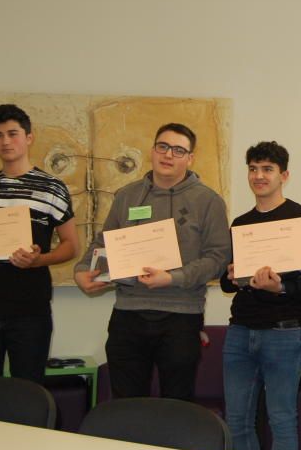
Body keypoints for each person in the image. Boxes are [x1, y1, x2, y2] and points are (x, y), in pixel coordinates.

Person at [74, 123, 231, 400]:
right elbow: (103, 243)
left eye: (178, 150)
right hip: (128, 313)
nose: (169, 155)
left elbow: (218, 258)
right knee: (126, 404)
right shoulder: (126, 196)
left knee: (176, 406)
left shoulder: (208, 201)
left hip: (181, 316)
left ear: (190, 158)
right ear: (152, 150)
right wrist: (83, 271)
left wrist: (174, 277)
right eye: (163, 146)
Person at [0, 104, 78, 383]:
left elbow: (71, 245)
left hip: (29, 310)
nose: (5, 142)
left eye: (13, 133)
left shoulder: (52, 188)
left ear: (29, 137)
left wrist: (40, 260)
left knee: (28, 391)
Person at [220, 141, 301, 450]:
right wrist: (232, 276)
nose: (259, 176)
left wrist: (281, 286)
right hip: (239, 332)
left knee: (281, 421)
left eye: (267, 169)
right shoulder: (240, 223)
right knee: (237, 422)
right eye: (253, 169)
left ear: (284, 175)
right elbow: (227, 281)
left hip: (282, 333)